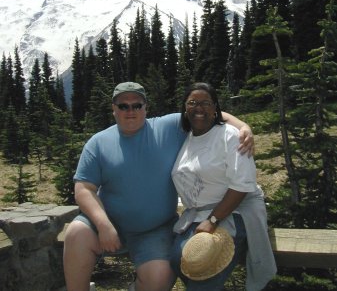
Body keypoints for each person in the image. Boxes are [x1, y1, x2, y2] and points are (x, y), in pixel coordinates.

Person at [63, 81, 255, 291]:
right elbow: (83, 188)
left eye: (137, 105)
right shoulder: (98, 142)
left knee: (160, 277)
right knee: (75, 233)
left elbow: (208, 112)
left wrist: (243, 127)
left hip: (155, 230)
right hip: (108, 224)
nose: (130, 111)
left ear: (146, 107)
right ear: (113, 108)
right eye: (123, 106)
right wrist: (103, 225)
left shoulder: (170, 126)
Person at [170, 82, 277, 291]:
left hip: (232, 211)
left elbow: (242, 185)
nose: (199, 108)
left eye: (206, 103)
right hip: (198, 214)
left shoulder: (230, 136)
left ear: (215, 108)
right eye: (192, 103)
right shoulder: (187, 136)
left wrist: (213, 220)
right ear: (184, 108)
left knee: (205, 271)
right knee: (177, 260)